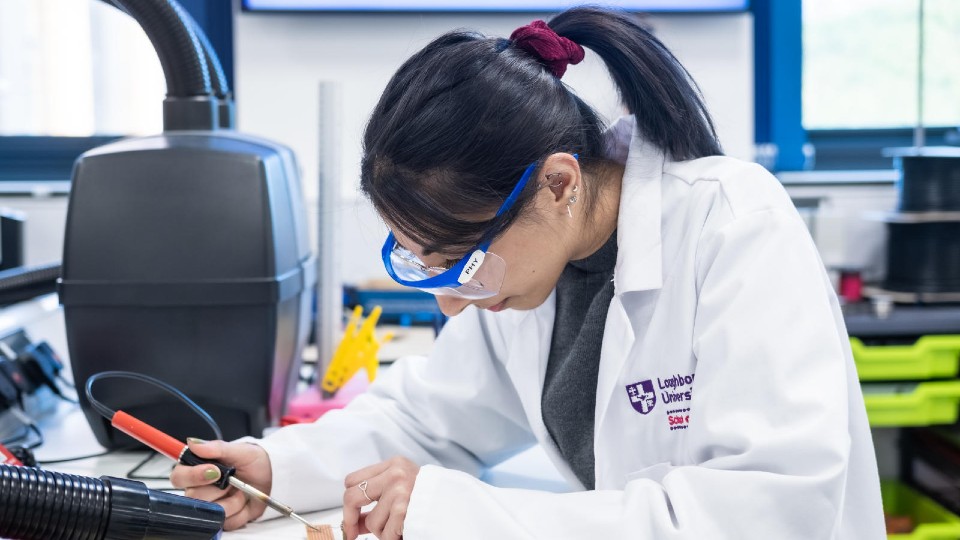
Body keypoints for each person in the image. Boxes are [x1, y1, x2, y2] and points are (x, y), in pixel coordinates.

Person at [171, 6, 885, 539]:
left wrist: (458, 515)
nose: (451, 304)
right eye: (425, 264)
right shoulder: (532, 268)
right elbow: (429, 419)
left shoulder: (733, 223)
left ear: (558, 184)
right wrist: (275, 467)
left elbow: (768, 512)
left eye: (461, 263)